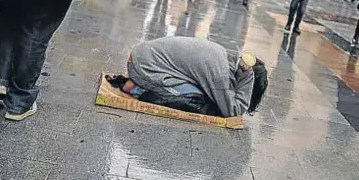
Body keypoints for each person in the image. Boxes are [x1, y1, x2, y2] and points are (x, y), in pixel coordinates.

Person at [107, 37, 269, 117]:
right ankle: (137, 88)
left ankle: (137, 81)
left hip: (142, 57)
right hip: (142, 67)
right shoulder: (220, 75)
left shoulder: (224, 57)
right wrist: (248, 78)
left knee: (203, 91)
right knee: (197, 99)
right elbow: (233, 110)